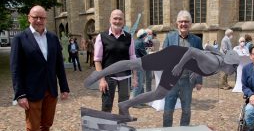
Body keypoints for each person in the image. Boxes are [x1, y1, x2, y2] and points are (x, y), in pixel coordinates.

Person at [84, 45, 240, 118]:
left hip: (179, 65)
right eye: (233, 70)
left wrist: (194, 70)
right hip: (174, 57)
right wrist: (180, 65)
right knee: (135, 64)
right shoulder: (214, 63)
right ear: (229, 64)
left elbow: (206, 47)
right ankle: (100, 73)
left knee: (159, 94)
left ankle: (125, 105)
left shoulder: (219, 60)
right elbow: (192, 51)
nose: (231, 73)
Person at [10, 5, 70, 131]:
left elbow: (59, 64)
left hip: (50, 89)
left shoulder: (52, 37)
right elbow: (15, 68)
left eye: (42, 18)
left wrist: (64, 87)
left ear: (45, 19)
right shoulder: (21, 38)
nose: (38, 20)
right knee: (33, 127)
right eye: (35, 17)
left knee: (46, 124)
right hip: (31, 92)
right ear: (29, 17)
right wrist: (20, 94)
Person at [162, 10, 203, 127]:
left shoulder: (196, 40)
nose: (183, 24)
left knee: (186, 110)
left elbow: (200, 61)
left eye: (186, 21)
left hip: (188, 81)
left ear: (190, 24)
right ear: (177, 23)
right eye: (181, 21)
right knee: (168, 110)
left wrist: (199, 81)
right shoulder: (170, 38)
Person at [93, 9, 137, 113]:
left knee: (124, 106)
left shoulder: (129, 37)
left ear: (123, 21)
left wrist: (135, 76)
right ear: (110, 20)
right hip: (108, 78)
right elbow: (97, 60)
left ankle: (122, 127)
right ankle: (106, 129)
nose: (117, 21)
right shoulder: (102, 37)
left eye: (120, 19)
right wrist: (101, 80)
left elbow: (132, 57)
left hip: (125, 77)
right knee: (107, 105)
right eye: (115, 18)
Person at [133, 29, 148, 97]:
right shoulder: (140, 43)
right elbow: (145, 54)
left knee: (141, 83)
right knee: (139, 83)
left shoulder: (136, 41)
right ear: (144, 36)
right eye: (146, 35)